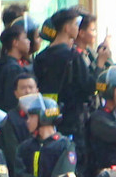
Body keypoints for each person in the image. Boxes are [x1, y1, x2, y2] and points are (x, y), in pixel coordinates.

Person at [32, 8, 93, 139]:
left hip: (46, 119)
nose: (78, 28)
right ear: (66, 28)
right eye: (76, 24)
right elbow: (87, 87)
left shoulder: (41, 57)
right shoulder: (73, 56)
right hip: (72, 120)